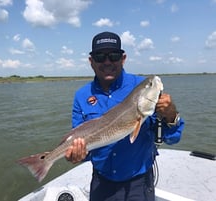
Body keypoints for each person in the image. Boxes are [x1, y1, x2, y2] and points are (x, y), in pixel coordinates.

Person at [65, 31, 184, 201]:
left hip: (138, 184)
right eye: (100, 57)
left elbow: (173, 138)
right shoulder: (81, 95)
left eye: (113, 56)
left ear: (123, 58)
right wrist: (77, 154)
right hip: (101, 183)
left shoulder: (142, 88)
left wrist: (171, 114)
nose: (107, 62)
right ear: (91, 61)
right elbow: (82, 146)